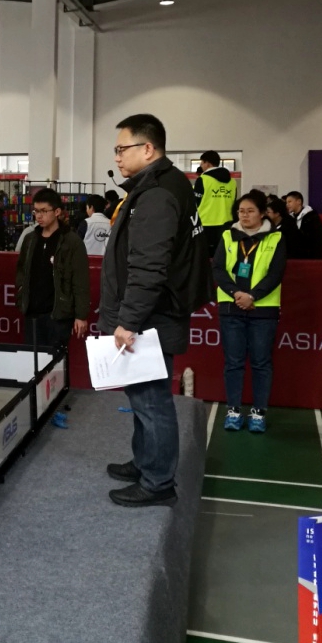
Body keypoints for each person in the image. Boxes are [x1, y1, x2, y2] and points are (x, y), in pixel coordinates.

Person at [100, 114, 210, 508]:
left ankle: (158, 481)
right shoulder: (168, 183)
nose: (117, 157)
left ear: (148, 149)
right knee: (142, 397)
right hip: (157, 312)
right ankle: (146, 461)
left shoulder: (158, 194)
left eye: (122, 149)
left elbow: (149, 266)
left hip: (151, 317)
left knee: (151, 400)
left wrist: (127, 320)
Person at [213, 191, 287, 433]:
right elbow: (218, 269)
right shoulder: (227, 235)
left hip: (263, 310)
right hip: (231, 308)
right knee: (233, 363)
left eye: (250, 211)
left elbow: (275, 274)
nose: (244, 215)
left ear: (262, 213)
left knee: (261, 363)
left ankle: (258, 412)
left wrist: (252, 296)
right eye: (241, 211)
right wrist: (236, 293)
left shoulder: (276, 238)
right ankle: (233, 410)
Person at [14, 188, 90, 349]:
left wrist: (81, 315)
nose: (38, 216)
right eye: (36, 211)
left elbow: (80, 280)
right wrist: (21, 291)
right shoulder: (30, 239)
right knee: (31, 358)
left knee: (56, 360)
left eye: (44, 211)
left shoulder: (71, 241)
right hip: (32, 311)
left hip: (58, 314)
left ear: (57, 212)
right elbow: (21, 270)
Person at [193, 150, 237, 256]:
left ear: (207, 163)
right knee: (223, 256)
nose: (201, 165)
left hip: (205, 224)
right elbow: (235, 201)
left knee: (204, 257)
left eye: (202, 162)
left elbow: (195, 202)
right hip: (227, 224)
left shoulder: (203, 180)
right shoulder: (232, 182)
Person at [284, 191, 322, 259]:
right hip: (295, 256)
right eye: (286, 202)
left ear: (299, 201)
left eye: (289, 201)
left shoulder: (311, 217)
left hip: (310, 256)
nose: (287, 204)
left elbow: (317, 239)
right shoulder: (289, 218)